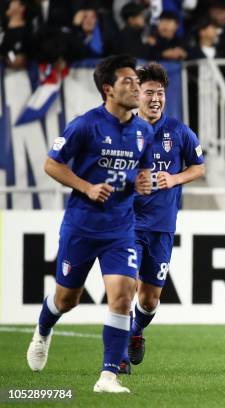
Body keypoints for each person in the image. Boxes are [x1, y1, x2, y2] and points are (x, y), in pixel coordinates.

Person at [26, 54, 154, 393]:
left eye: (137, 83)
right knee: (68, 299)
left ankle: (107, 377)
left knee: (123, 297)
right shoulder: (85, 125)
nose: (136, 88)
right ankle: (43, 329)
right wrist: (86, 186)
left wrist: (142, 181)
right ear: (108, 89)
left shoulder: (144, 130)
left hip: (121, 227)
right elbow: (52, 164)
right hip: (82, 226)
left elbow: (141, 170)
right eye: (129, 82)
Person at [122, 63, 205, 372]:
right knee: (123, 289)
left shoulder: (179, 131)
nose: (155, 99)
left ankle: (136, 331)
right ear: (137, 95)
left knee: (149, 300)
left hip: (162, 226)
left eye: (160, 93)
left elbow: (199, 167)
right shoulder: (124, 130)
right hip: (127, 224)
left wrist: (175, 178)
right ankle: (116, 358)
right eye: (149, 93)